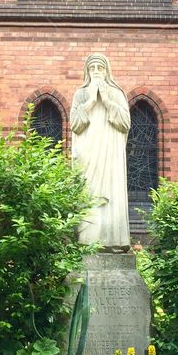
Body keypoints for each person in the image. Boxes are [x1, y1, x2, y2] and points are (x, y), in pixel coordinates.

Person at [69, 53, 131, 249]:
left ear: (107, 71)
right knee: (88, 192)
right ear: (87, 71)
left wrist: (106, 100)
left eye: (100, 68)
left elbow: (125, 123)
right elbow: (74, 125)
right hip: (87, 152)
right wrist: (91, 102)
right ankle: (87, 240)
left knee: (111, 192)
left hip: (109, 152)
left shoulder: (116, 93)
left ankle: (113, 240)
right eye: (92, 68)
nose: (96, 72)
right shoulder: (80, 94)